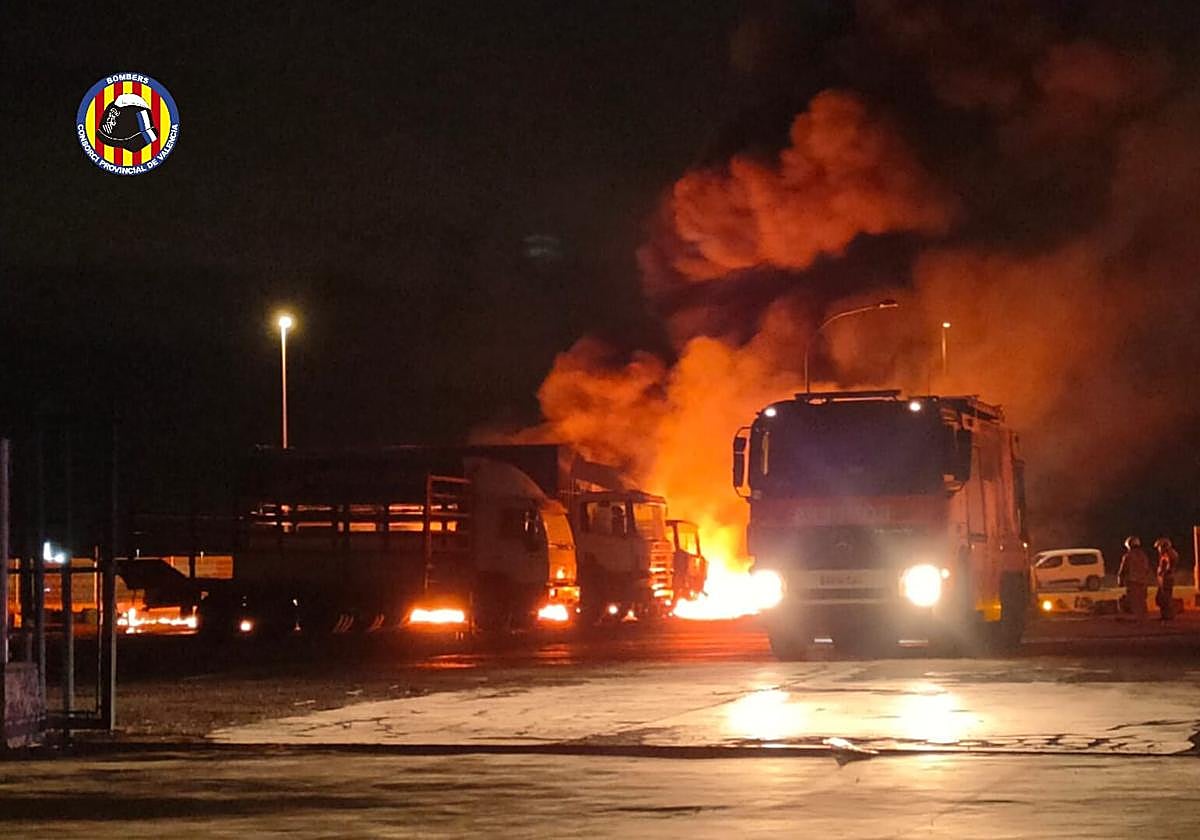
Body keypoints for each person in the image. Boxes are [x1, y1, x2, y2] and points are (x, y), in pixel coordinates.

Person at [1117, 536, 1153, 619]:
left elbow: (1123, 570)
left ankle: (1138, 619)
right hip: (1143, 582)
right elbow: (1147, 569)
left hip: (1132, 582)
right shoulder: (1143, 555)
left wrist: (1120, 580)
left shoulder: (1128, 556)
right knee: (1142, 601)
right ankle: (1145, 619)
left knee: (1135, 602)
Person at [1153, 537, 1179, 621]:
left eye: (1159, 547)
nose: (1158, 549)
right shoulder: (1168, 554)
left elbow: (1169, 567)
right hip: (1165, 578)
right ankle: (1165, 615)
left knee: (1165, 598)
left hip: (1166, 579)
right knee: (1162, 598)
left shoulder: (1169, 554)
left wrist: (1163, 573)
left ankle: (1168, 616)